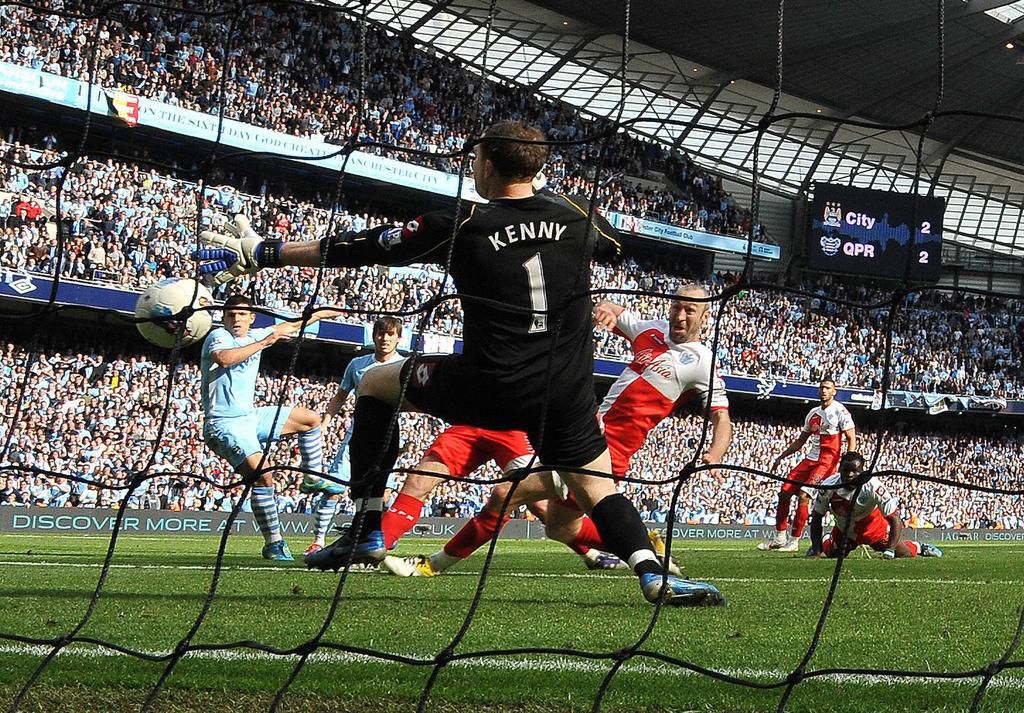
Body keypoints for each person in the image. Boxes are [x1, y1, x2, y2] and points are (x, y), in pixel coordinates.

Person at [198, 120, 723, 606]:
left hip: (487, 384)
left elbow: (365, 247)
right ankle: (653, 574)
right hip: (562, 393)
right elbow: (612, 246)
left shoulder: (462, 223)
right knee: (597, 487)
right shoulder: (577, 214)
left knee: (374, 384)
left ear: (487, 165)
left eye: (475, 160)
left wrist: (268, 252)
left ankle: (367, 525)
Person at [383, 287, 731, 578]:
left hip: (608, 450)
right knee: (561, 528)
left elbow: (721, 418)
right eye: (676, 306)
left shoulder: (701, 361)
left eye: (689, 310)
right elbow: (611, 307)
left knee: (505, 494)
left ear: (705, 316)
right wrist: (605, 310)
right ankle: (645, 548)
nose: (680, 315)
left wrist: (715, 453)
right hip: (584, 434)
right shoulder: (651, 331)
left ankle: (431, 565)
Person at [377, 423, 632, 572]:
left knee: (532, 503)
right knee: (418, 479)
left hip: (514, 427)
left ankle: (628, 549)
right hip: (470, 421)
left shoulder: (545, 345)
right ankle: (372, 551)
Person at [200, 293, 341, 561]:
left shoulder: (257, 334)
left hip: (249, 416)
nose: (236, 319)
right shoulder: (219, 336)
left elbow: (294, 324)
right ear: (224, 317)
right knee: (264, 477)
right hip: (223, 423)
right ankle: (274, 543)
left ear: (252, 318)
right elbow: (224, 358)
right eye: (231, 314)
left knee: (310, 420)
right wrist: (265, 342)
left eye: (242, 314)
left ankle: (312, 478)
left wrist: (325, 313)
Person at [301, 317, 405, 556]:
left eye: (390, 334)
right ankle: (318, 540)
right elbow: (340, 396)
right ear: (374, 336)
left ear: (399, 338)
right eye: (381, 333)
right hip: (357, 432)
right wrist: (325, 423)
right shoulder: (357, 364)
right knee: (335, 488)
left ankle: (377, 535)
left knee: (383, 491)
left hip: (388, 432)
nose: (385, 339)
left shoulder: (403, 365)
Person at [760, 379, 856, 553]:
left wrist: (848, 463)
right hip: (810, 459)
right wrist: (781, 457)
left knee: (804, 495)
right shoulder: (813, 413)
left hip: (827, 462)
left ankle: (794, 541)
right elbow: (800, 441)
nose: (824, 391)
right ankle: (779, 537)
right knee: (784, 492)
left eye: (827, 388)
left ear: (834, 391)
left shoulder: (840, 411)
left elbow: (851, 438)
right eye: (822, 388)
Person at [806, 452, 943, 559]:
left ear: (862, 471)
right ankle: (825, 540)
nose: (849, 475)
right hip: (844, 531)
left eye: (854, 471)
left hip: (875, 530)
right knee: (832, 554)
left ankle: (919, 547)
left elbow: (895, 519)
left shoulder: (874, 487)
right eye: (846, 470)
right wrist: (816, 551)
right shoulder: (828, 486)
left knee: (904, 553)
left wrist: (890, 550)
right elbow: (817, 517)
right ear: (839, 469)